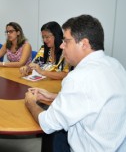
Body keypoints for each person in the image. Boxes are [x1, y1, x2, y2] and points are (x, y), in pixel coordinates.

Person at [25, 14, 126, 152]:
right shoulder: (115, 65)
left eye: (66, 41)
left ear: (84, 44)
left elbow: (47, 124)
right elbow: (92, 98)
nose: (61, 45)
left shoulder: (78, 77)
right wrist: (53, 96)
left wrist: (30, 102)